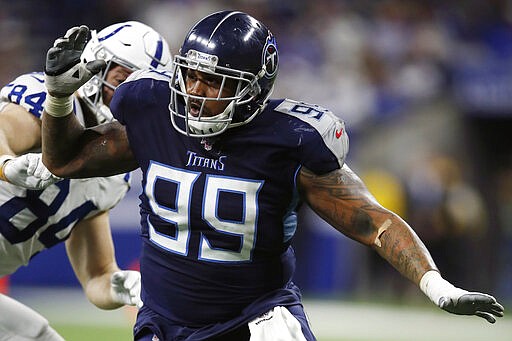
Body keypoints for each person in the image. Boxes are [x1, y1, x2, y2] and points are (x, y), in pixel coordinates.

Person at [41, 11, 504, 341]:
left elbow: (375, 223)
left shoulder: (289, 142)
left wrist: (436, 285)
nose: (196, 92)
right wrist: (59, 99)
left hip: (255, 324)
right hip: (163, 323)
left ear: (254, 90)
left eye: (215, 81)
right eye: (190, 76)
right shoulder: (151, 111)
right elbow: (62, 161)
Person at [0, 21, 172, 340]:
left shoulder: (114, 172)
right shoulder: (49, 101)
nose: (128, 99)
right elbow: (4, 132)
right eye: (122, 81)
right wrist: (7, 166)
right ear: (94, 67)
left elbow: (97, 276)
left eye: (142, 91)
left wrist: (125, 285)